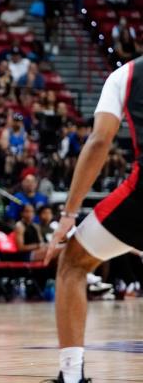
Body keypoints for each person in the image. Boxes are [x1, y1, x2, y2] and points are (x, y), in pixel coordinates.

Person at [43, 55, 143, 383]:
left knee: (72, 262)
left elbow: (100, 140)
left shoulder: (127, 75)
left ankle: (71, 376)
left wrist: (69, 214)